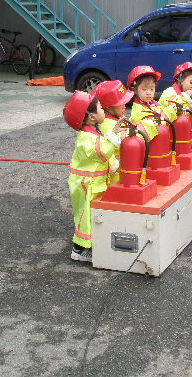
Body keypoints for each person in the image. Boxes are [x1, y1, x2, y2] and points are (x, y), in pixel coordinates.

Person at [63, 91, 125, 262]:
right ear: (91, 116)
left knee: (92, 215)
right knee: (86, 217)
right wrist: (113, 135)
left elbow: (103, 151)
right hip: (86, 184)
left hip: (92, 183)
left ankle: (89, 246)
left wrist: (114, 164)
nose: (103, 111)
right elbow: (101, 151)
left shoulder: (93, 132)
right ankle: (79, 249)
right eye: (100, 108)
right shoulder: (86, 137)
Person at [128, 65, 177, 140]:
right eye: (144, 89)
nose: (148, 92)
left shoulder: (153, 103)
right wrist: (170, 111)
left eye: (152, 89)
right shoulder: (138, 109)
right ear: (134, 90)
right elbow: (155, 124)